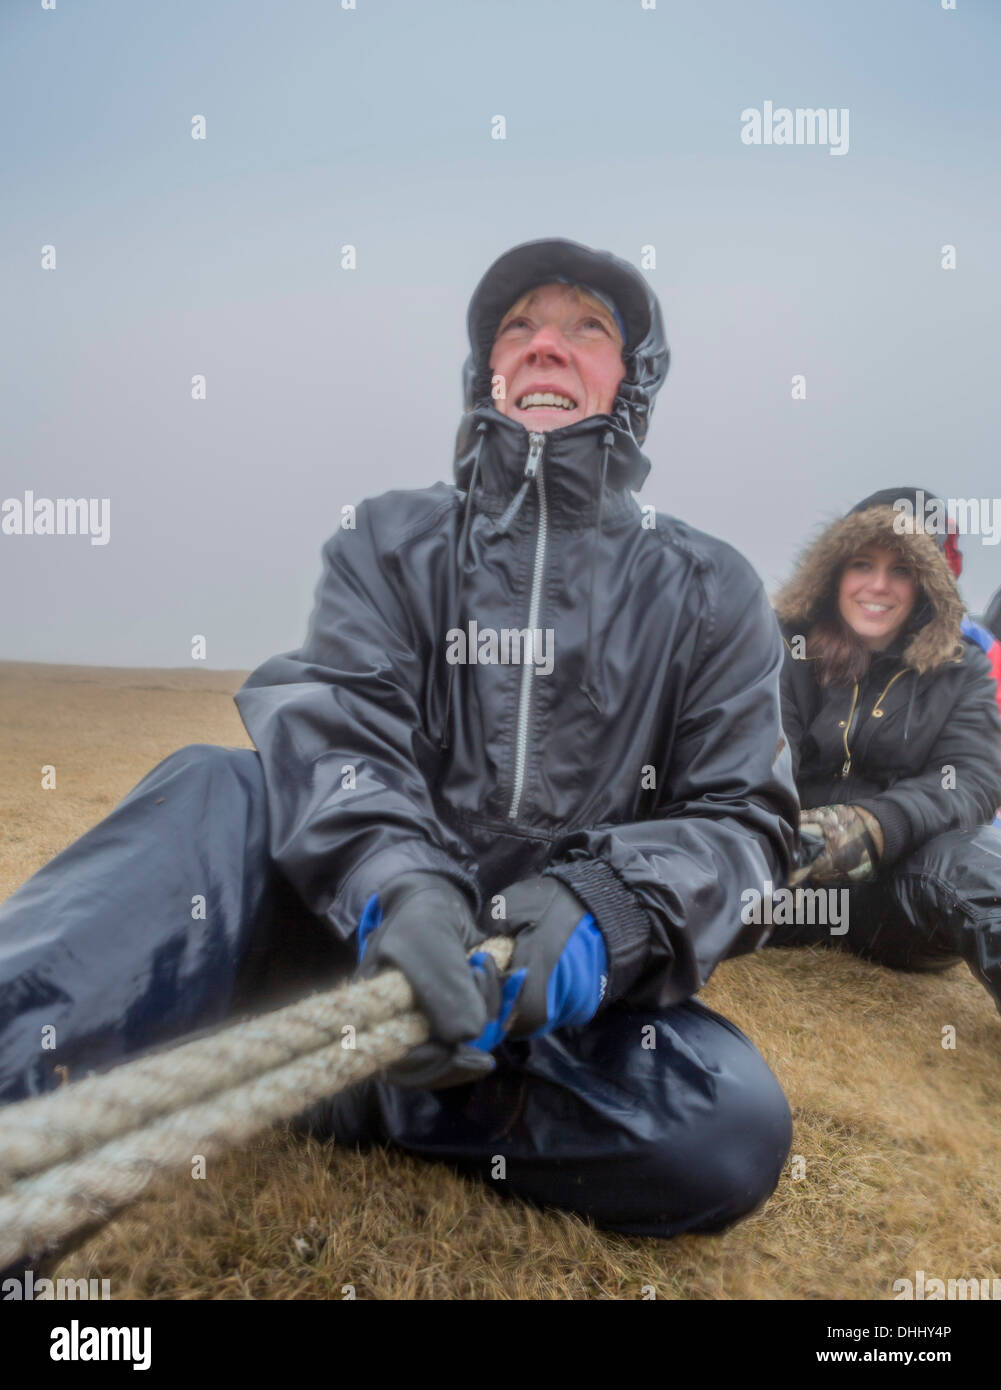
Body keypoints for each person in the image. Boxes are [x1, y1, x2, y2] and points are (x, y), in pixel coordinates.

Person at [0, 238, 798, 1247]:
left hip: (540, 1014)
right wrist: (403, 886)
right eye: (519, 327)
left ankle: (349, 1084)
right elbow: (339, 720)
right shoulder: (386, 541)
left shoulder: (711, 591)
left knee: (727, 1124)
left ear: (631, 378)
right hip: (351, 946)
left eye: (584, 328)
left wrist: (607, 913)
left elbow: (744, 821)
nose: (546, 344)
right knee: (216, 788)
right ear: (487, 374)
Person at [768, 497, 1001, 1011]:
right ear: (834, 569)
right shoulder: (783, 645)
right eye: (862, 564)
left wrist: (873, 827)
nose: (878, 585)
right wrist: (790, 834)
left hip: (898, 894)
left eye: (901, 569)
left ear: (926, 584)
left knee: (973, 863)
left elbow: (973, 777)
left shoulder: (961, 670)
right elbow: (756, 751)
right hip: (774, 880)